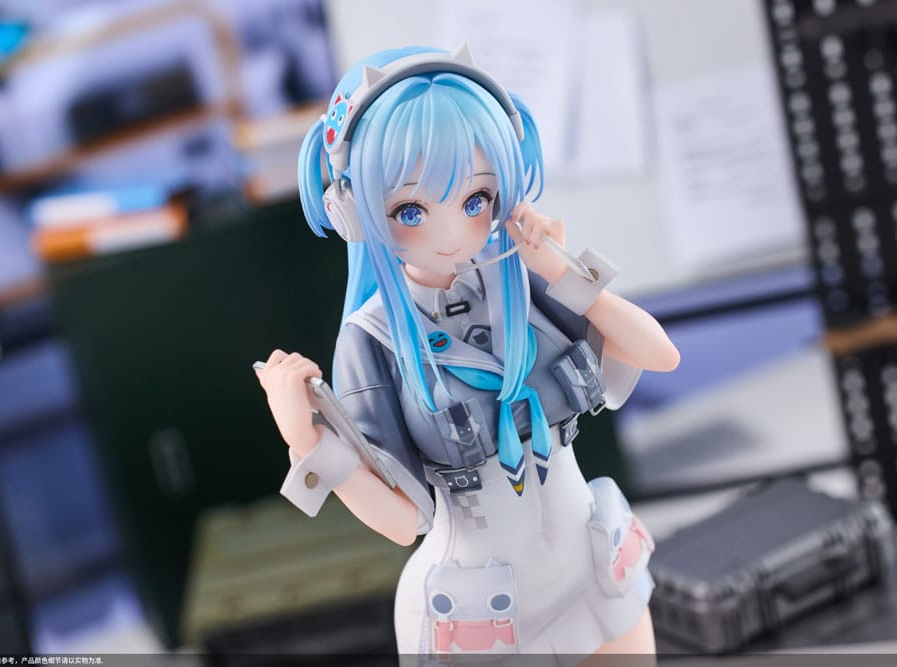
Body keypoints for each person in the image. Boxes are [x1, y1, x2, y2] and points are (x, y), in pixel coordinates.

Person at [256, 45, 679, 661]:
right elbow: (403, 523)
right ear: (352, 211)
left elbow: (658, 352)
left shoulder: (526, 281)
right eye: (410, 210)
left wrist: (563, 272)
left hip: (593, 573)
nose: (452, 232)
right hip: (485, 613)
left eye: (475, 198)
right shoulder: (372, 341)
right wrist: (307, 442)